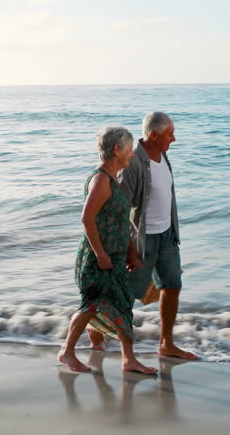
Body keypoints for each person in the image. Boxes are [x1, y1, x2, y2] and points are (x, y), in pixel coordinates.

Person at [58, 126, 158, 374]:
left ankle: (125, 358)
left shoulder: (113, 178)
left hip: (113, 257)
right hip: (97, 259)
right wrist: (102, 255)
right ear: (117, 149)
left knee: (121, 303)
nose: (132, 155)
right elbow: (86, 219)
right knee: (92, 305)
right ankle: (68, 352)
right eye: (130, 150)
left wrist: (130, 251)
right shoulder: (101, 179)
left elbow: (120, 221)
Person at [118, 112, 198, 360]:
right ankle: (119, 349)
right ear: (153, 134)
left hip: (167, 235)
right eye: (169, 134)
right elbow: (120, 211)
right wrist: (130, 249)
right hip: (142, 239)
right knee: (127, 294)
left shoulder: (163, 155)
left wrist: (173, 230)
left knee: (172, 285)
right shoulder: (133, 163)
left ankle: (166, 344)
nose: (173, 139)